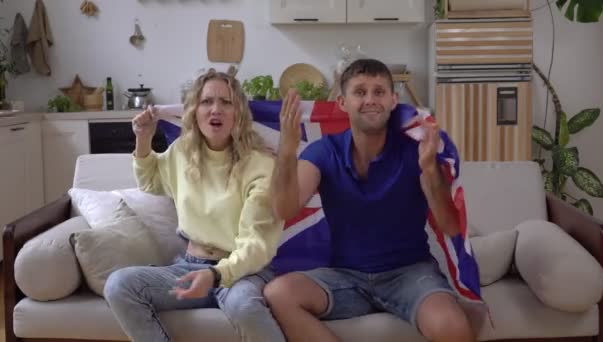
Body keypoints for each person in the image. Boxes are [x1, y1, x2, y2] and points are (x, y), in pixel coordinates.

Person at [265, 59, 475, 342]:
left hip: (410, 273)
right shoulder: (324, 151)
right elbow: (284, 208)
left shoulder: (417, 149)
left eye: (379, 92)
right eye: (360, 92)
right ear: (342, 102)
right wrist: (287, 153)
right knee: (278, 293)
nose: (370, 100)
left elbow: (449, 225)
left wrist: (429, 169)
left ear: (393, 100)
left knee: (454, 327)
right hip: (346, 277)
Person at [103, 69, 286, 342]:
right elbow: (151, 181)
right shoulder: (182, 151)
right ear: (194, 111)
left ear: (239, 113)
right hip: (189, 266)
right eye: (206, 102)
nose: (216, 110)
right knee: (119, 285)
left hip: (242, 272)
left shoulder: (261, 164)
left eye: (226, 102)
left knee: (244, 306)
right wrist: (143, 138)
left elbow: (257, 245)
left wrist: (215, 275)